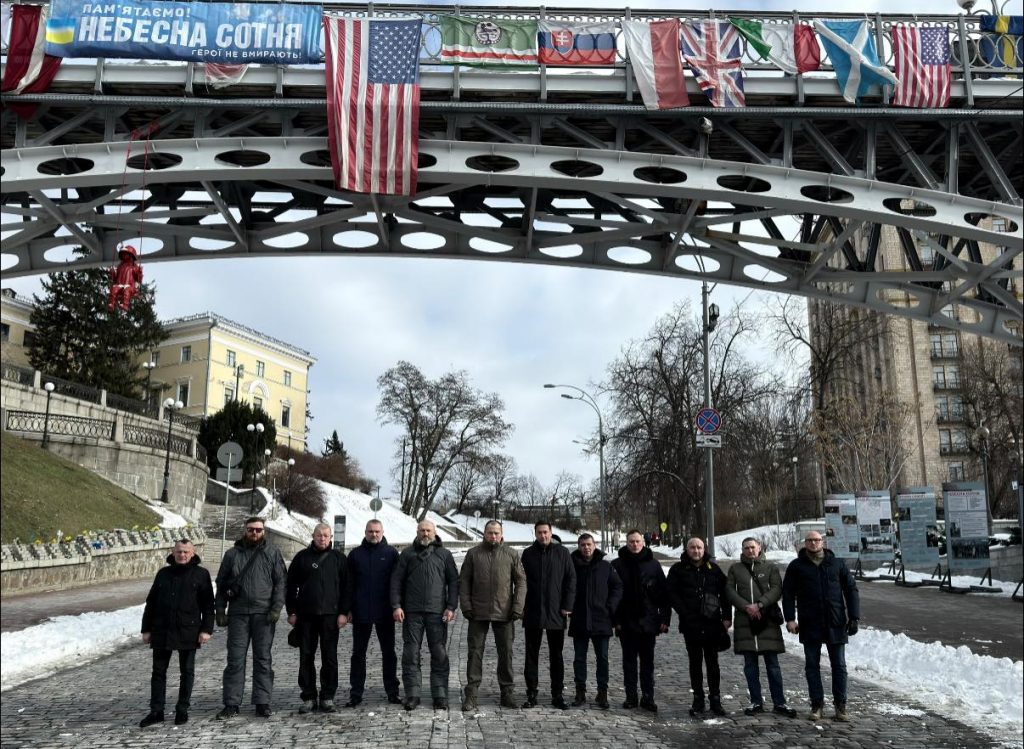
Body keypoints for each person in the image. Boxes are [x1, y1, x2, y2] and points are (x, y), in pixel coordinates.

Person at [782, 531, 861, 722]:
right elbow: (787, 593)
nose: (813, 543)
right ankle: (816, 705)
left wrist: (854, 617)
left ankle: (840, 706)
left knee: (839, 666)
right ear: (805, 543)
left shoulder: (837, 563)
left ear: (822, 542)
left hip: (835, 621)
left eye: (816, 540)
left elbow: (851, 590)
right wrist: (790, 619)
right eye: (809, 540)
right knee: (812, 666)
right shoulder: (796, 566)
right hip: (810, 623)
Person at [215, 516, 287, 719]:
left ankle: (262, 702)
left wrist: (276, 608)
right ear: (245, 531)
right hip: (238, 615)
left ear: (264, 531)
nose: (254, 533)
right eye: (250, 530)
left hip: (263, 615)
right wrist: (220, 610)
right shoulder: (232, 555)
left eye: (258, 530)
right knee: (235, 660)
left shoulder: (272, 553)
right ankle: (231, 703)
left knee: (263, 659)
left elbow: (281, 583)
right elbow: (221, 584)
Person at [139, 539, 215, 727]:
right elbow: (151, 603)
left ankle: (182, 709)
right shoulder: (163, 574)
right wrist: (146, 629)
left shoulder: (201, 574)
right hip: (162, 629)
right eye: (179, 552)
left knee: (187, 672)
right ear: (173, 553)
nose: (182, 555)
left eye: (186, 552)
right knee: (158, 672)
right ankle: (156, 711)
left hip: (188, 630)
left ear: (193, 553)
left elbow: (208, 606)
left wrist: (206, 629)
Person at [390, 520, 459, 711]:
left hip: (437, 613)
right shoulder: (407, 554)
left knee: (439, 653)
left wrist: (451, 606)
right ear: (417, 531)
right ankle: (412, 693)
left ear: (435, 532)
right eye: (422, 530)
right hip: (412, 613)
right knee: (411, 653)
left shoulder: (444, 554)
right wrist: (396, 605)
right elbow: (396, 581)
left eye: (428, 530)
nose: (425, 533)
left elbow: (453, 582)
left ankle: (440, 695)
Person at [459, 520, 527, 712]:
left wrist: (517, 607)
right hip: (477, 613)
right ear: (484, 533)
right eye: (490, 533)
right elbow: (463, 582)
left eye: (496, 533)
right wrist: (466, 606)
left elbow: (521, 582)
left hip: (504, 612)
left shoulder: (511, 554)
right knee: (475, 654)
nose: (493, 536)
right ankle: (471, 694)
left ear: (502, 534)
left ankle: (507, 693)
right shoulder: (473, 554)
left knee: (506, 653)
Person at [725, 537, 797, 718]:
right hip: (745, 622)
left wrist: (759, 604)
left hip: (767, 621)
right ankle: (756, 701)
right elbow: (729, 591)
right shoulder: (735, 569)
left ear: (759, 548)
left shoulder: (771, 567)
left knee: (773, 665)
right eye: (746, 548)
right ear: (742, 550)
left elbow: (776, 589)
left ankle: (780, 702)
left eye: (752, 547)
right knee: (750, 666)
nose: (750, 550)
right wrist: (746, 607)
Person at [285, 523, 351, 714]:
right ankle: (309, 696)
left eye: (326, 535)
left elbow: (347, 588)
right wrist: (292, 611)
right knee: (306, 656)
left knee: (329, 657)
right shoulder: (302, 558)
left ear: (331, 537)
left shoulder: (339, 559)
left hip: (331, 617)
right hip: (306, 616)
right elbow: (291, 587)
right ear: (313, 536)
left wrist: (343, 613)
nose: (322, 538)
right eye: (319, 535)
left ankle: (328, 696)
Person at [668, 537, 732, 717]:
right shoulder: (678, 569)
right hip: (691, 624)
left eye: (699, 548)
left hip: (712, 623)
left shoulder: (714, 569)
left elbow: (725, 594)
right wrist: (684, 612)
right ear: (687, 549)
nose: (696, 551)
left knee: (713, 663)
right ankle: (698, 699)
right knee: (695, 663)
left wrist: (727, 617)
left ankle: (715, 700)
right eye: (692, 548)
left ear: (704, 549)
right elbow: (672, 594)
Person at [611, 529, 670, 712]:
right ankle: (631, 696)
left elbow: (664, 594)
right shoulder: (617, 564)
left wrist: (664, 618)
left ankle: (648, 696)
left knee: (647, 662)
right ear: (626, 543)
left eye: (637, 541)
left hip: (648, 620)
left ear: (643, 542)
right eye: (631, 542)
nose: (634, 545)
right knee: (628, 662)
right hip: (626, 620)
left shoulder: (653, 565)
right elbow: (612, 595)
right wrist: (615, 620)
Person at [520, 521, 576, 709]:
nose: (543, 535)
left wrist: (567, 605)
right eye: (539, 532)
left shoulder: (562, 553)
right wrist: (520, 606)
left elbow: (571, 580)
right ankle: (531, 693)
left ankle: (557, 694)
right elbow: (520, 582)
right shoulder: (528, 554)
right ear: (535, 533)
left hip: (556, 611)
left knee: (556, 655)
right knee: (531, 655)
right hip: (533, 611)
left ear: (551, 533)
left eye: (546, 532)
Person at [346, 519, 401, 707]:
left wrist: (396, 606)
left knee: (389, 654)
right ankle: (356, 693)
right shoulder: (355, 555)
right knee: (358, 654)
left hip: (385, 612)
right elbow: (348, 585)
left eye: (377, 531)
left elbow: (397, 583)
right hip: (360, 612)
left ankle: (392, 691)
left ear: (383, 531)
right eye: (370, 531)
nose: (374, 534)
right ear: (365, 531)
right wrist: (348, 610)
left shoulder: (392, 553)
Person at [568, 533, 622, 710]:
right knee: (579, 658)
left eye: (589, 544)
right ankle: (580, 691)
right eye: (582, 545)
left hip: (601, 619)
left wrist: (610, 606)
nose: (586, 548)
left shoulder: (605, 566)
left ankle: (602, 692)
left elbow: (617, 586)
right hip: (579, 618)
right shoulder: (571, 565)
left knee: (603, 658)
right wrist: (568, 606)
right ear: (578, 546)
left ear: (595, 545)